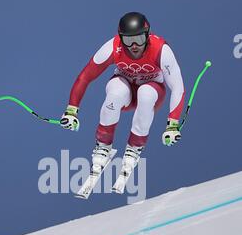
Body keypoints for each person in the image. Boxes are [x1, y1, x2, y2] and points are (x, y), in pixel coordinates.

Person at [60, 12, 185, 173]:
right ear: (121, 38)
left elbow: (177, 87)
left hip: (152, 90)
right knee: (115, 92)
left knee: (146, 94)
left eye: (139, 39)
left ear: (147, 35)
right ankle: (103, 145)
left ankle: (134, 147)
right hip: (125, 90)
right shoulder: (113, 47)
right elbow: (85, 77)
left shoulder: (161, 50)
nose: (134, 45)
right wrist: (71, 110)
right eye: (128, 40)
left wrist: (172, 125)